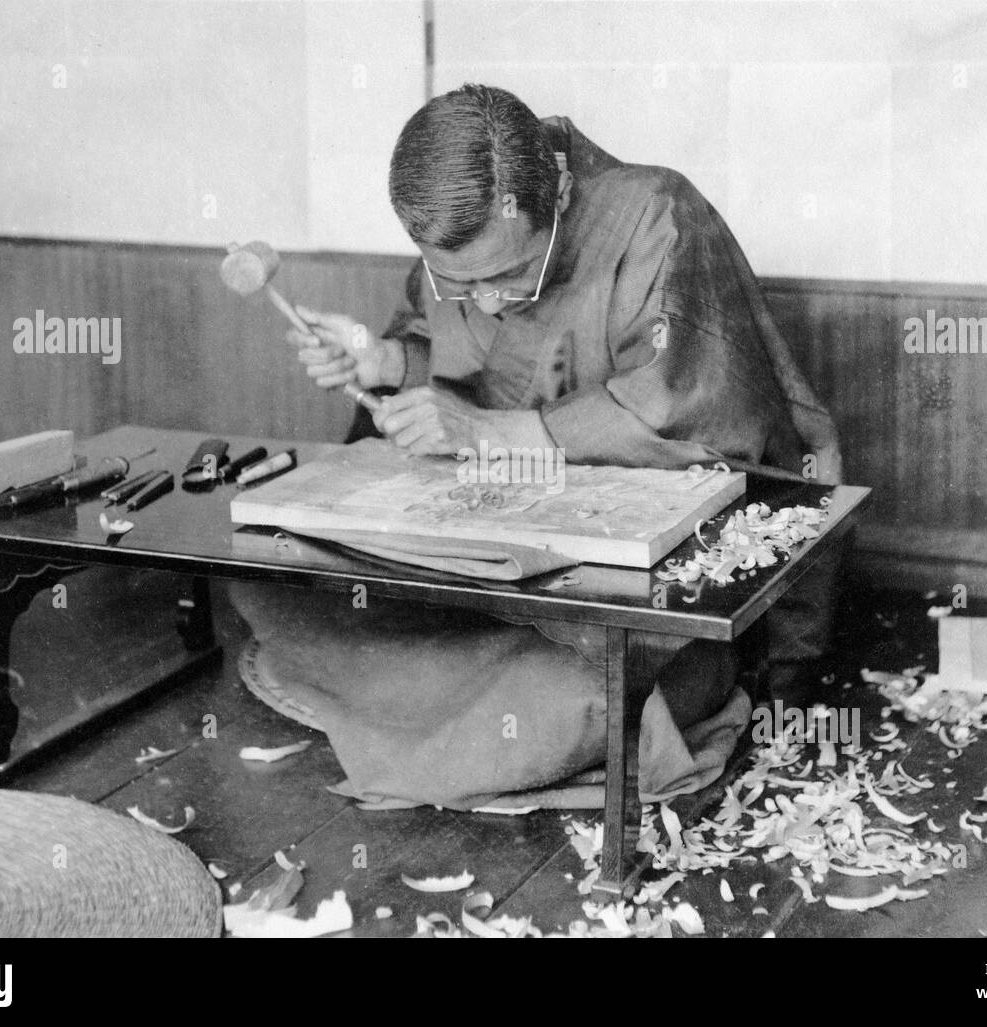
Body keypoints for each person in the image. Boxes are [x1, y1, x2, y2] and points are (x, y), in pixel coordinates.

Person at [228, 84, 843, 811]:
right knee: (264, 579)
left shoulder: (655, 216)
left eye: (508, 276)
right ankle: (463, 699)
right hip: (499, 570)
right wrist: (387, 363)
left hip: (621, 594)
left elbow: (693, 411)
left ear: (555, 188)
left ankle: (431, 700)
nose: (486, 301)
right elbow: (464, 358)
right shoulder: (463, 245)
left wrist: (500, 435)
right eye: (459, 281)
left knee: (584, 690)